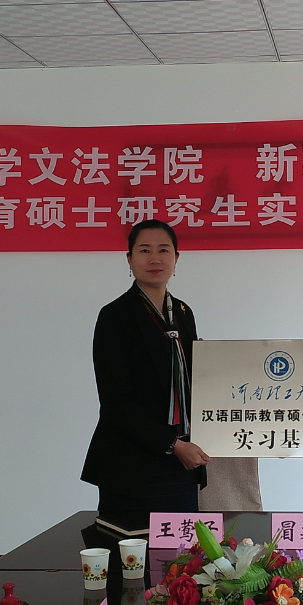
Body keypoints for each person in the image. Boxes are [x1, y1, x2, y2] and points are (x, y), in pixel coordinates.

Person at [81, 219, 210, 513]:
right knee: (134, 544)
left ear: (176, 258)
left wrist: (209, 365)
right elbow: (116, 402)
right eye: (144, 250)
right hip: (131, 464)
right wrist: (174, 445)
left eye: (163, 250)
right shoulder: (115, 316)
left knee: (183, 542)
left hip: (182, 461)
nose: (155, 259)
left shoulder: (183, 312)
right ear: (129, 259)